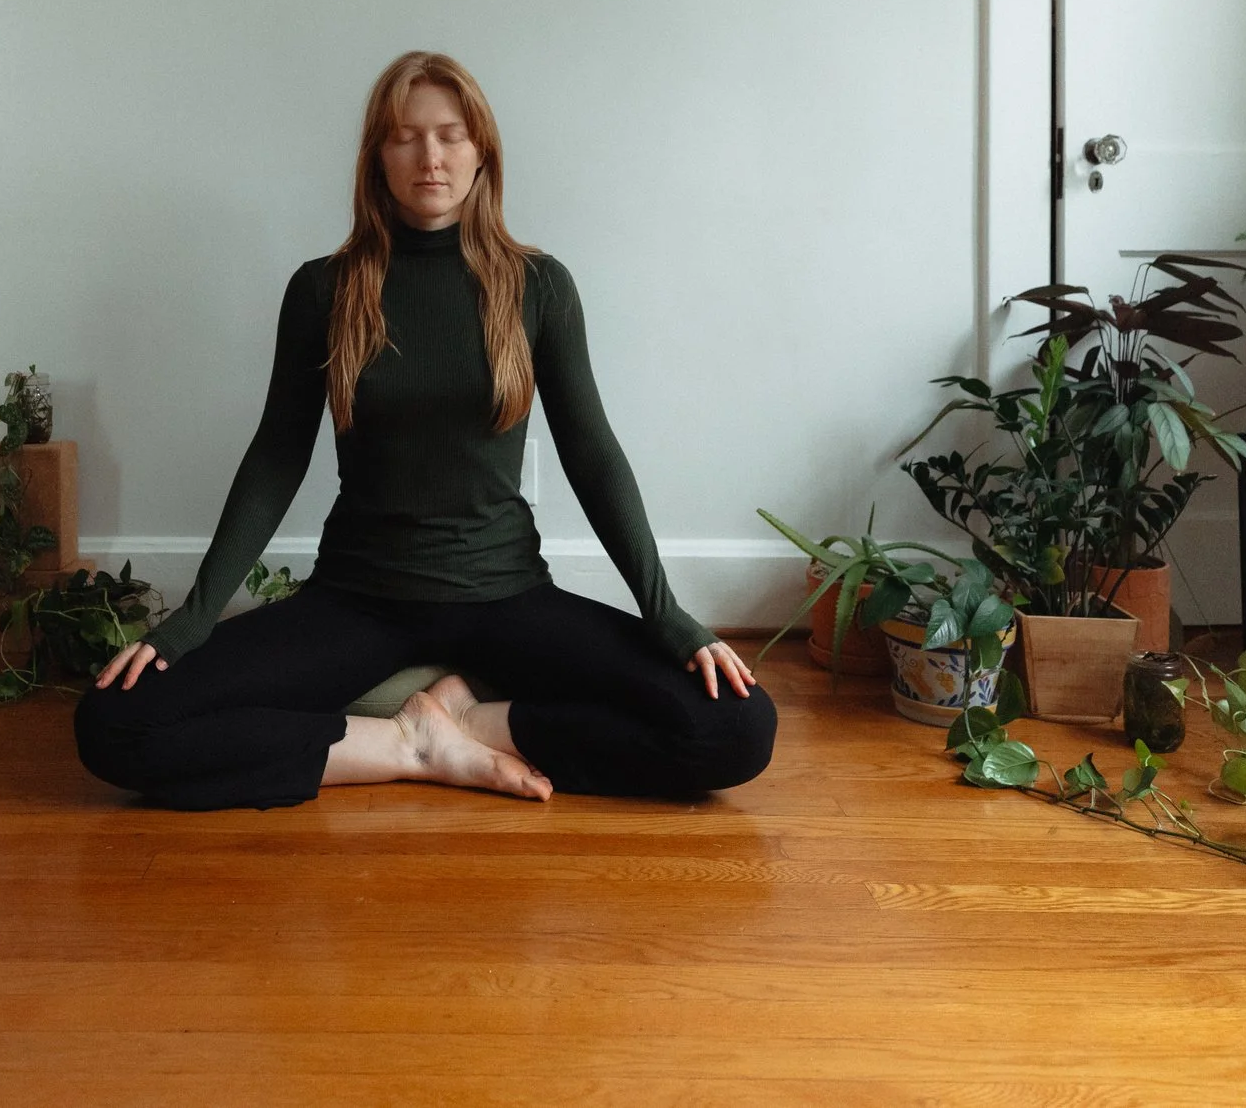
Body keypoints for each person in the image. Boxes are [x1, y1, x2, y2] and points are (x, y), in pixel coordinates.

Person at [72, 51, 776, 810]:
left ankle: (477, 720)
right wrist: (195, 617)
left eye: (450, 134)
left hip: (507, 595)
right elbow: (277, 455)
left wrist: (667, 613)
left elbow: (593, 455)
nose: (430, 157)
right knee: (116, 724)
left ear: (482, 151)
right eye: (405, 136)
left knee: (737, 727)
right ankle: (406, 742)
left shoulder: (538, 286)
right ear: (378, 155)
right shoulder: (325, 289)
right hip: (356, 598)